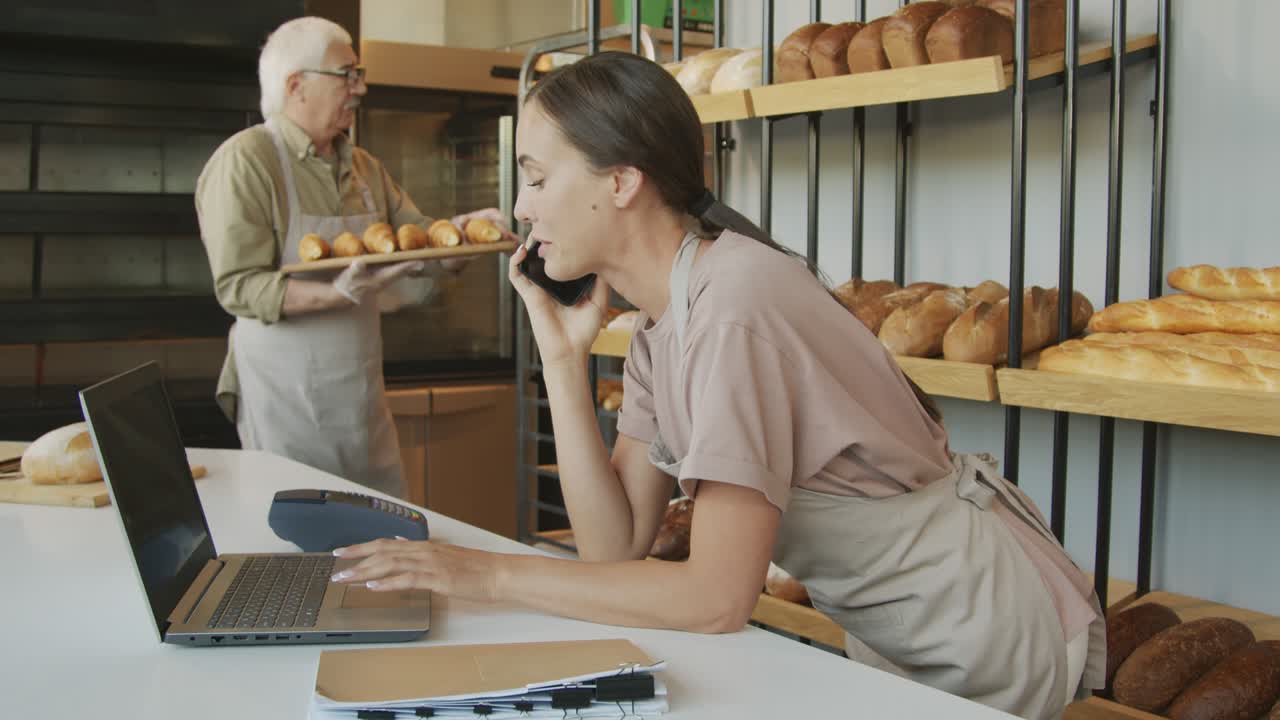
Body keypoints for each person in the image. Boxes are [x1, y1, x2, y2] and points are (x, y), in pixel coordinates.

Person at [330, 52, 1104, 719]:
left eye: (535, 177)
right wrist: (563, 360)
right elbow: (614, 546)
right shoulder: (663, 320)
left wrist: (483, 572)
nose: (521, 208)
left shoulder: (734, 307)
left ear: (623, 180)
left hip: (986, 634)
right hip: (910, 638)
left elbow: (714, 600)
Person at [195, 17, 511, 498]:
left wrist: (461, 238)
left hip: (360, 400)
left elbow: (419, 245)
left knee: (383, 533)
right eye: (347, 74)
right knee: (301, 544)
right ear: (296, 85)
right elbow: (239, 286)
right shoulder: (247, 162)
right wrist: (336, 294)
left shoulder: (363, 167)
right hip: (285, 399)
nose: (360, 88)